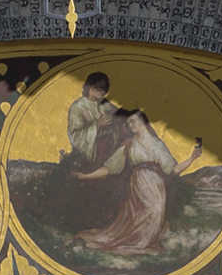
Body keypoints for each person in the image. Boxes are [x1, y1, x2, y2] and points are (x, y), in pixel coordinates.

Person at [77, 109, 208, 259]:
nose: (130, 125)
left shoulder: (158, 144)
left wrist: (192, 158)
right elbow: (110, 168)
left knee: (156, 213)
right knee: (138, 219)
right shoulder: (128, 144)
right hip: (138, 189)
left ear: (143, 121)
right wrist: (86, 176)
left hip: (157, 190)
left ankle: (142, 245)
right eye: (128, 123)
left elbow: (172, 170)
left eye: (133, 121)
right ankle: (137, 245)